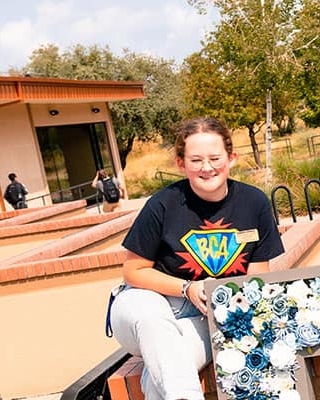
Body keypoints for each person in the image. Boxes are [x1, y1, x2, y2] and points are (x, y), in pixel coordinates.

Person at [108, 117, 284, 400]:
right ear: (181, 163)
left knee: (164, 377)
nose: (207, 167)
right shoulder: (162, 204)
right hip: (148, 305)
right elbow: (133, 271)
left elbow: (256, 279)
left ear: (232, 158)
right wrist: (186, 288)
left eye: (215, 158)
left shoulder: (255, 203)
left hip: (208, 316)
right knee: (151, 316)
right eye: (196, 159)